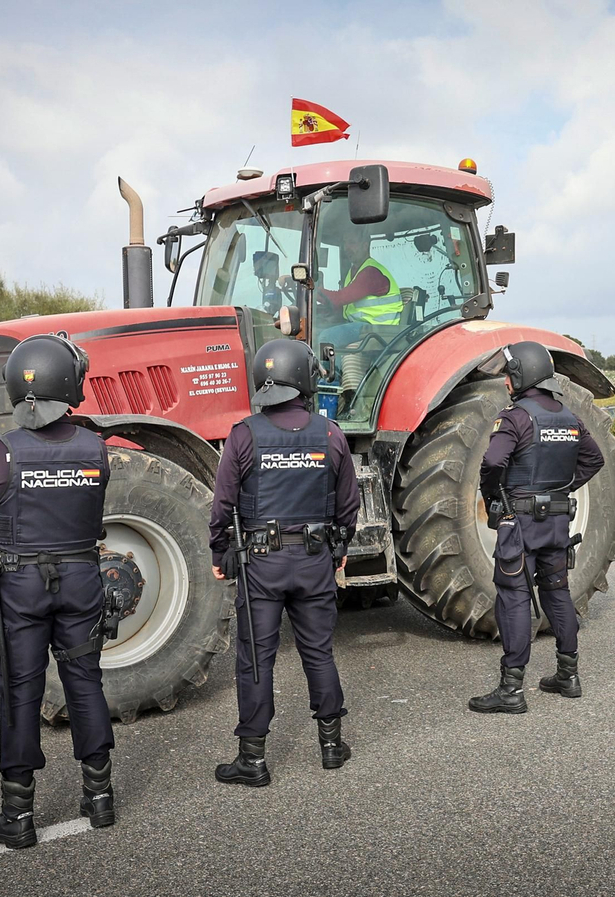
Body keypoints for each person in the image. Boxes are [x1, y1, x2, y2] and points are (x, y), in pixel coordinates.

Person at [0, 332, 115, 849]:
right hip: (81, 581)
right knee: (85, 684)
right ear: (68, 384)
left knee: (21, 693)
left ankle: (19, 816)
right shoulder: (96, 446)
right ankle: (100, 799)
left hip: (21, 586)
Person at [209, 339, 360, 785]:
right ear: (304, 380)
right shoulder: (331, 434)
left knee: (257, 658)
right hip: (314, 559)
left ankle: (252, 759)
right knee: (318, 652)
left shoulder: (244, 434)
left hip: (261, 563)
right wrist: (339, 549)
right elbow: (348, 505)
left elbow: (223, 505)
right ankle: (331, 745)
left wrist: (221, 552)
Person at [469, 341, 604, 713]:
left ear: (521, 376)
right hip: (558, 522)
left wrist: (495, 495)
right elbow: (594, 460)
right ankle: (568, 675)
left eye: (509, 376)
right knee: (557, 592)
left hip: (521, 523)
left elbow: (494, 461)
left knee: (513, 596)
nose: (507, 384)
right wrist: (560, 490)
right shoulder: (569, 418)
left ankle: (511, 689)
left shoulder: (514, 418)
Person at [315, 226, 402, 349]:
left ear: (365, 245)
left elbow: (339, 298)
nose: (346, 248)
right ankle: (336, 367)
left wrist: (312, 289)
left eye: (352, 243)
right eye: (345, 243)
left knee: (327, 337)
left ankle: (325, 369)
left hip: (378, 328)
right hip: (362, 325)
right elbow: (341, 303)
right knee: (315, 330)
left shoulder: (371, 272)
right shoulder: (354, 271)